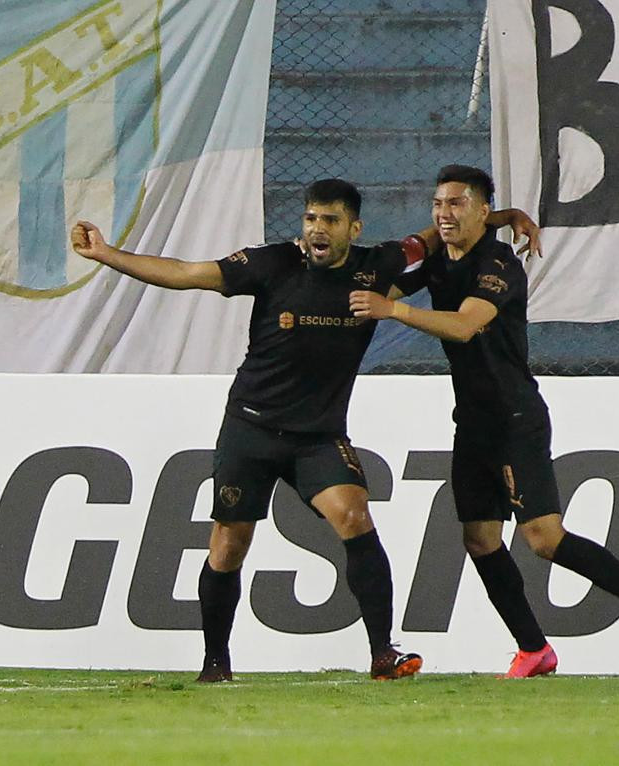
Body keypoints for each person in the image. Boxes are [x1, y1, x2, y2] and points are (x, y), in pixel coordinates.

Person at [70, 178, 538, 683]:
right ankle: (215, 663)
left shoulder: (378, 265)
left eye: (330, 221)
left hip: (318, 437)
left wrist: (498, 216)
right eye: (311, 218)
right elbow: (186, 273)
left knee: (355, 515)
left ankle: (384, 654)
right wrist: (107, 254)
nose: (317, 229)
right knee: (228, 544)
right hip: (250, 429)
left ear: (352, 228)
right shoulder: (272, 263)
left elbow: (436, 236)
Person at [349, 165, 619, 679]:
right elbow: (393, 289)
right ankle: (534, 650)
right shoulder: (441, 260)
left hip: (515, 418)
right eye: (438, 204)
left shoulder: (498, 262)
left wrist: (390, 311)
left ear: (481, 211)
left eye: (457, 204)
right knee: (480, 539)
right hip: (472, 423)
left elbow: (467, 325)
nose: (444, 214)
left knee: (543, 537)